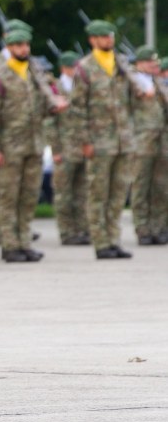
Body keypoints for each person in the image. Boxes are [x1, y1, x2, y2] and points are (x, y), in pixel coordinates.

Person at [0, 27, 65, 262]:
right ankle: (10, 245)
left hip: (34, 143)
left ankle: (24, 242)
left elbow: (42, 108)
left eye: (26, 45)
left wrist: (54, 106)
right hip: (10, 146)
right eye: (19, 45)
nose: (24, 49)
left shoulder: (34, 72)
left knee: (29, 196)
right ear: (9, 47)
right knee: (9, 197)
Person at [69, 20, 134, 260]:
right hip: (99, 141)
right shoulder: (85, 68)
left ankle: (114, 239)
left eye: (110, 36)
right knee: (98, 193)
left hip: (122, 139)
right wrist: (85, 140)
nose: (109, 40)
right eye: (104, 37)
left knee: (118, 194)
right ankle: (101, 242)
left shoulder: (121, 64)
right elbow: (77, 108)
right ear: (93, 40)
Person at [129, 46, 168, 245]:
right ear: (140, 63)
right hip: (141, 141)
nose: (155, 65)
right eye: (151, 62)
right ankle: (143, 229)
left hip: (161, 140)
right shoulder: (132, 82)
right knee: (141, 186)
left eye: (156, 62)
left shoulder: (157, 81)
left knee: (160, 186)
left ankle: (159, 227)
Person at [49, 51, 89, 245]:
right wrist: (55, 149)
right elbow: (50, 122)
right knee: (64, 193)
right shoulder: (54, 89)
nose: (76, 71)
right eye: (73, 68)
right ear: (64, 68)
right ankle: (67, 232)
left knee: (82, 192)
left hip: (82, 147)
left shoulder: (81, 87)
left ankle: (82, 229)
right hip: (65, 148)